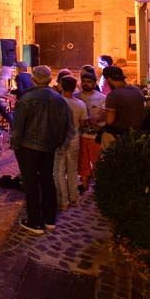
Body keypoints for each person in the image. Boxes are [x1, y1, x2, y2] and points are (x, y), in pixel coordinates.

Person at [11, 66, 72, 235]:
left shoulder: (27, 98)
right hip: (49, 146)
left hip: (28, 146)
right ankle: (49, 218)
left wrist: (15, 144)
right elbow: (65, 125)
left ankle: (35, 221)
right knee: (47, 180)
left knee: (31, 183)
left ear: (33, 79)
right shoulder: (58, 99)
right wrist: (58, 142)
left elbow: (18, 125)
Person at [55, 76, 87, 211]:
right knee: (72, 169)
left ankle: (63, 200)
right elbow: (83, 122)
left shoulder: (56, 102)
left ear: (61, 85)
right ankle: (74, 198)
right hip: (74, 138)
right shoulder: (80, 104)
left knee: (59, 170)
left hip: (59, 140)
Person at [75, 72, 105, 192]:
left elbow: (105, 114)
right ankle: (84, 183)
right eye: (84, 81)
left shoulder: (102, 98)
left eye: (89, 82)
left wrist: (97, 121)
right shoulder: (76, 97)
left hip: (95, 136)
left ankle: (98, 184)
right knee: (82, 160)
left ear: (94, 83)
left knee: (96, 160)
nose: (86, 84)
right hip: (80, 135)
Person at [102, 65, 145, 144]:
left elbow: (109, 121)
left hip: (119, 136)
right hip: (136, 134)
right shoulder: (137, 90)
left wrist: (103, 113)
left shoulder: (113, 95)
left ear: (109, 79)